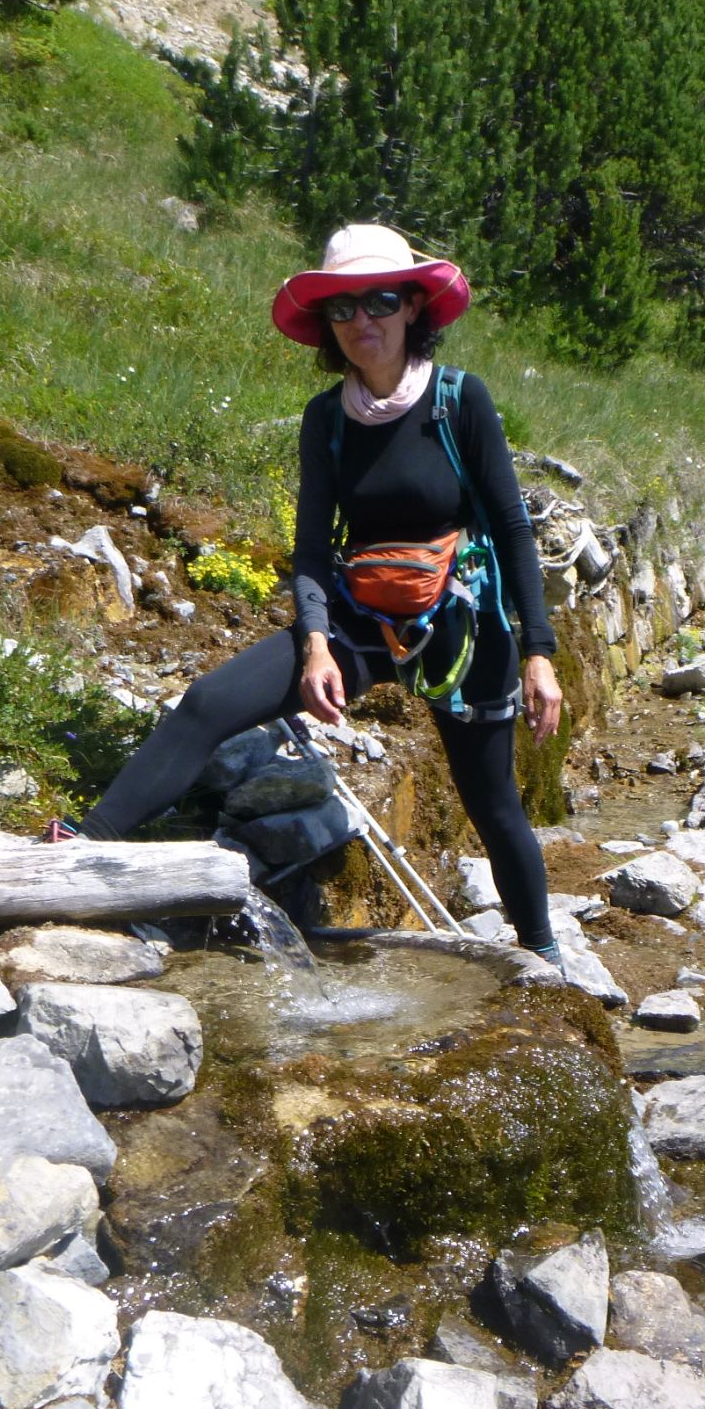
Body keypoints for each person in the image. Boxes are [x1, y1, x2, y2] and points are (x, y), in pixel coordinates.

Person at [69, 223, 564, 963]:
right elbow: (310, 548)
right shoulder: (326, 418)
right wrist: (316, 645)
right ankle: (83, 851)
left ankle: (544, 959)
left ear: (412, 308)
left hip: (463, 628)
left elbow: (513, 528)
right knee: (208, 702)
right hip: (362, 617)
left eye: (381, 300)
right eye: (344, 307)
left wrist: (538, 653)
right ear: (328, 325)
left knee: (493, 807)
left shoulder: (460, 400)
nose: (364, 319)